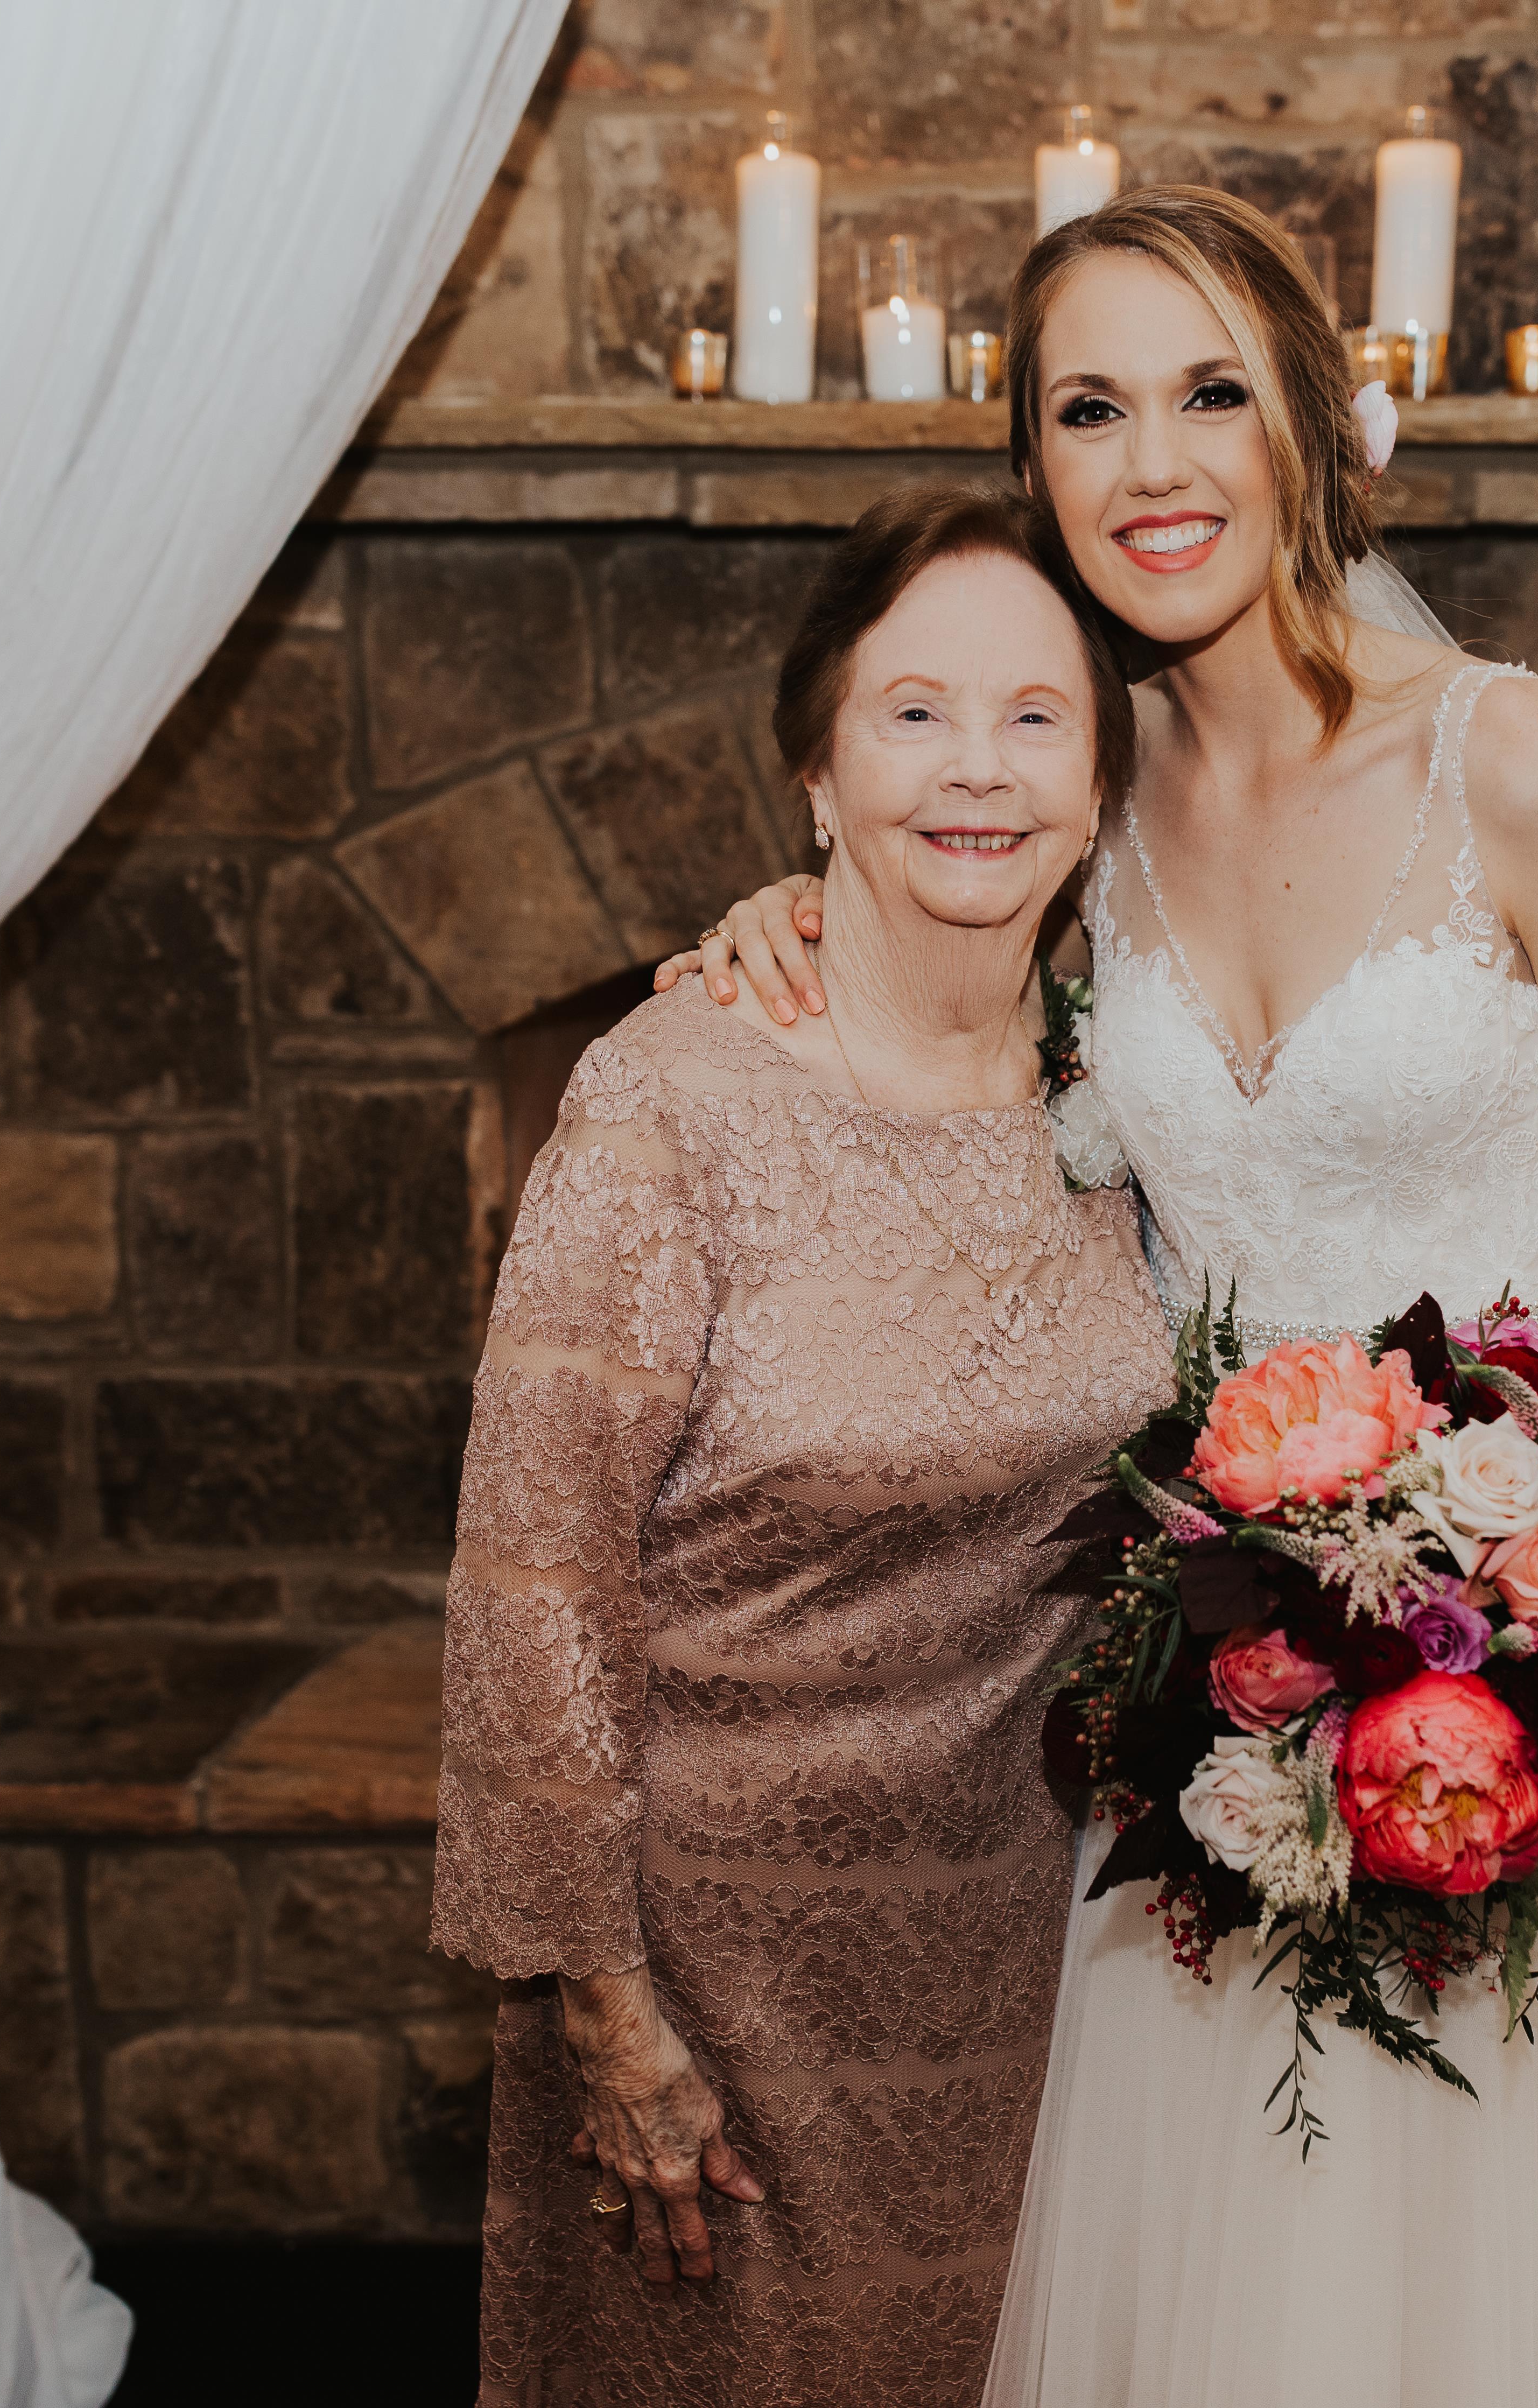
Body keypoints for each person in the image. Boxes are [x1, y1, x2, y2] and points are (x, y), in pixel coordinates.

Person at [662, 187, 1538, 2407]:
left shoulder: (1514, 761)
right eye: (1089, 410)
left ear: (1310, 418)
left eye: (1208, 391)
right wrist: (774, 917)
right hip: (1226, 1690)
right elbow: (914, 873)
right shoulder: (1073, 802)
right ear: (1036, 468)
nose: (1153, 462)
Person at [434, 483, 1172, 2407]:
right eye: (912, 713)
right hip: (718, 1982)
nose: (977, 772)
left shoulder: (1136, 1092)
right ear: (819, 778)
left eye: (1036, 718)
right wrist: (606, 2011)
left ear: (1099, 789)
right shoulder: (669, 1099)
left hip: (1047, 1963)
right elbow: (534, 1586)